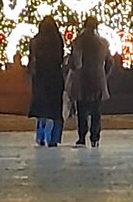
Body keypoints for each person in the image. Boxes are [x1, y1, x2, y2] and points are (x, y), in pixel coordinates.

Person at [69, 15, 111, 147]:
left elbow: (74, 62)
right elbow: (110, 62)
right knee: (96, 112)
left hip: (83, 80)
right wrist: (103, 74)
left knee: (82, 111)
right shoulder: (103, 43)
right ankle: (95, 137)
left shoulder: (78, 41)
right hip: (98, 79)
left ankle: (82, 137)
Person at [27, 18, 67, 147]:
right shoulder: (57, 40)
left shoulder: (36, 41)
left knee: (42, 108)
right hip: (55, 76)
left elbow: (32, 60)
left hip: (40, 77)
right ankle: (54, 138)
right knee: (56, 109)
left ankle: (41, 136)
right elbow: (61, 58)